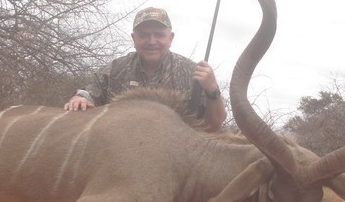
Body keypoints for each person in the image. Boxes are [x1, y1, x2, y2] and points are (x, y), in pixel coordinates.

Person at [64, 7, 226, 132]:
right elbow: (89, 93)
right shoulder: (116, 68)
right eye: (144, 35)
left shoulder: (193, 73)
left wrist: (213, 91)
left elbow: (213, 126)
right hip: (119, 153)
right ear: (134, 39)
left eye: (159, 34)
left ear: (171, 38)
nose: (151, 41)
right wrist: (80, 99)